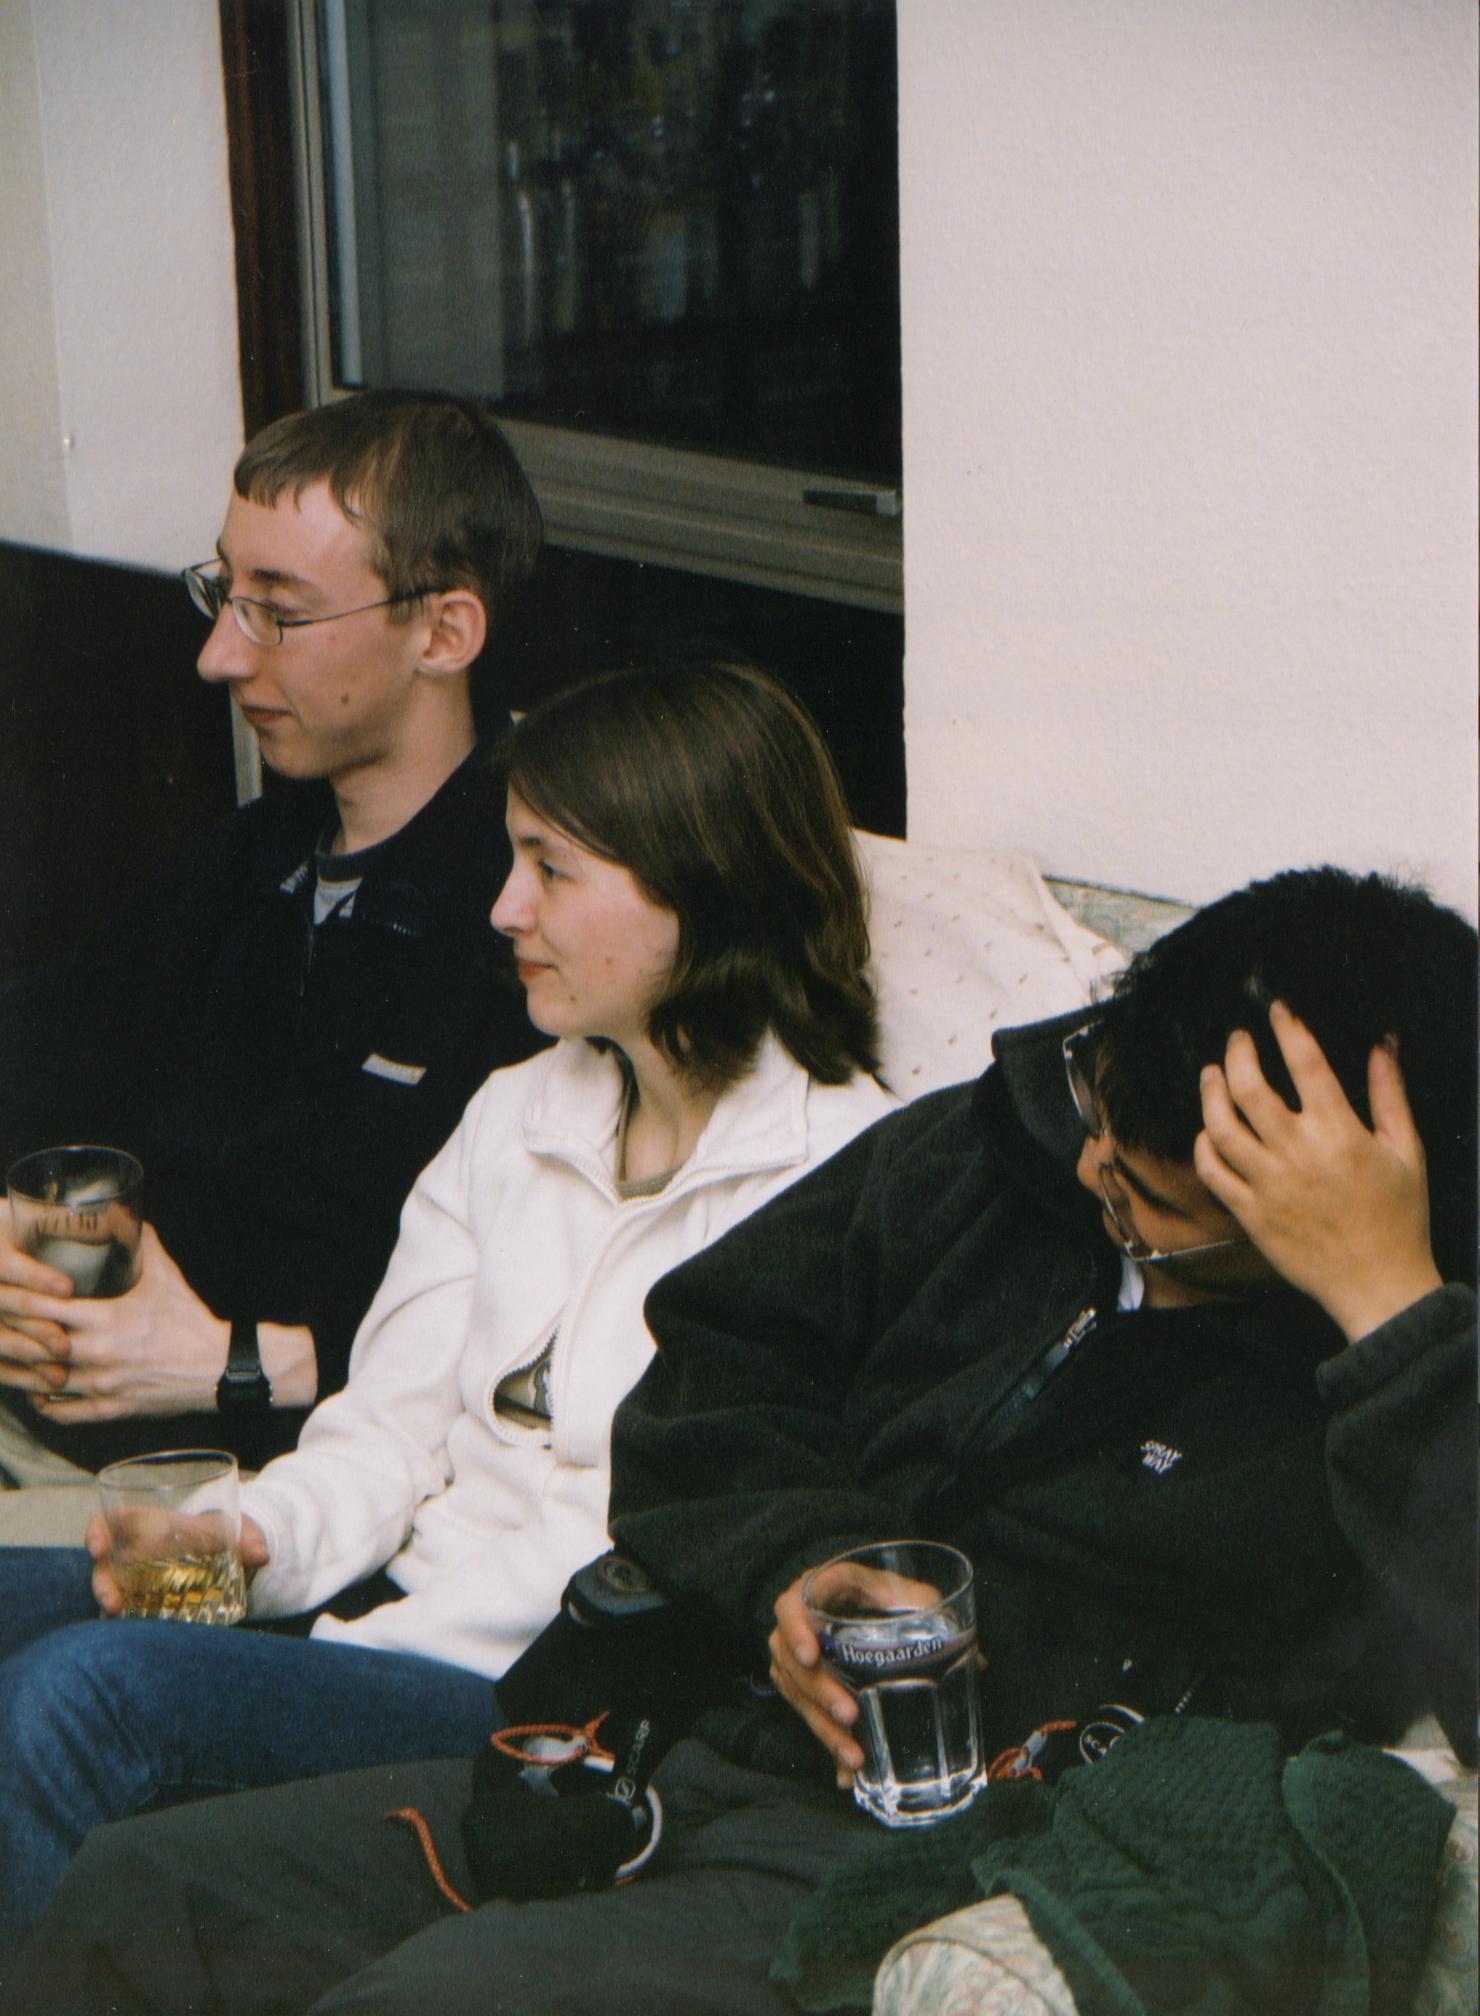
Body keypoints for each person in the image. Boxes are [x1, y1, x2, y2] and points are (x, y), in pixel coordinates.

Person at [6, 866, 1468, 2016]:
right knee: (146, 1897)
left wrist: (1388, 1312)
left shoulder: (1403, 1363)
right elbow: (709, 1365)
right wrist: (797, 1558)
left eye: (1159, 1204)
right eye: (1101, 1128)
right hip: (655, 1729)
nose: (1099, 1182)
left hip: (929, 1847)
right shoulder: (997, 1153)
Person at [0, 657, 895, 1960]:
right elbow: (387, 1426)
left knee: (84, 1696)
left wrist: (325, 1645)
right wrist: (242, 1543)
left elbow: (641, 1543)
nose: (503, 908)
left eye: (550, 870)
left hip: (525, 1691)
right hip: (368, 1614)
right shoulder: (518, 1111)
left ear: (704, 888)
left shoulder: (845, 1180)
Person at [0, 391, 546, 1517]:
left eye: (278, 614)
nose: (217, 657)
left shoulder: (527, 925)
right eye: (223, 595)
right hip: (57, 1435)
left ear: (444, 634)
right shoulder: (244, 865)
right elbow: (33, 1048)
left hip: (273, 1504)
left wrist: (233, 1362)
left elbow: (545, 1328)